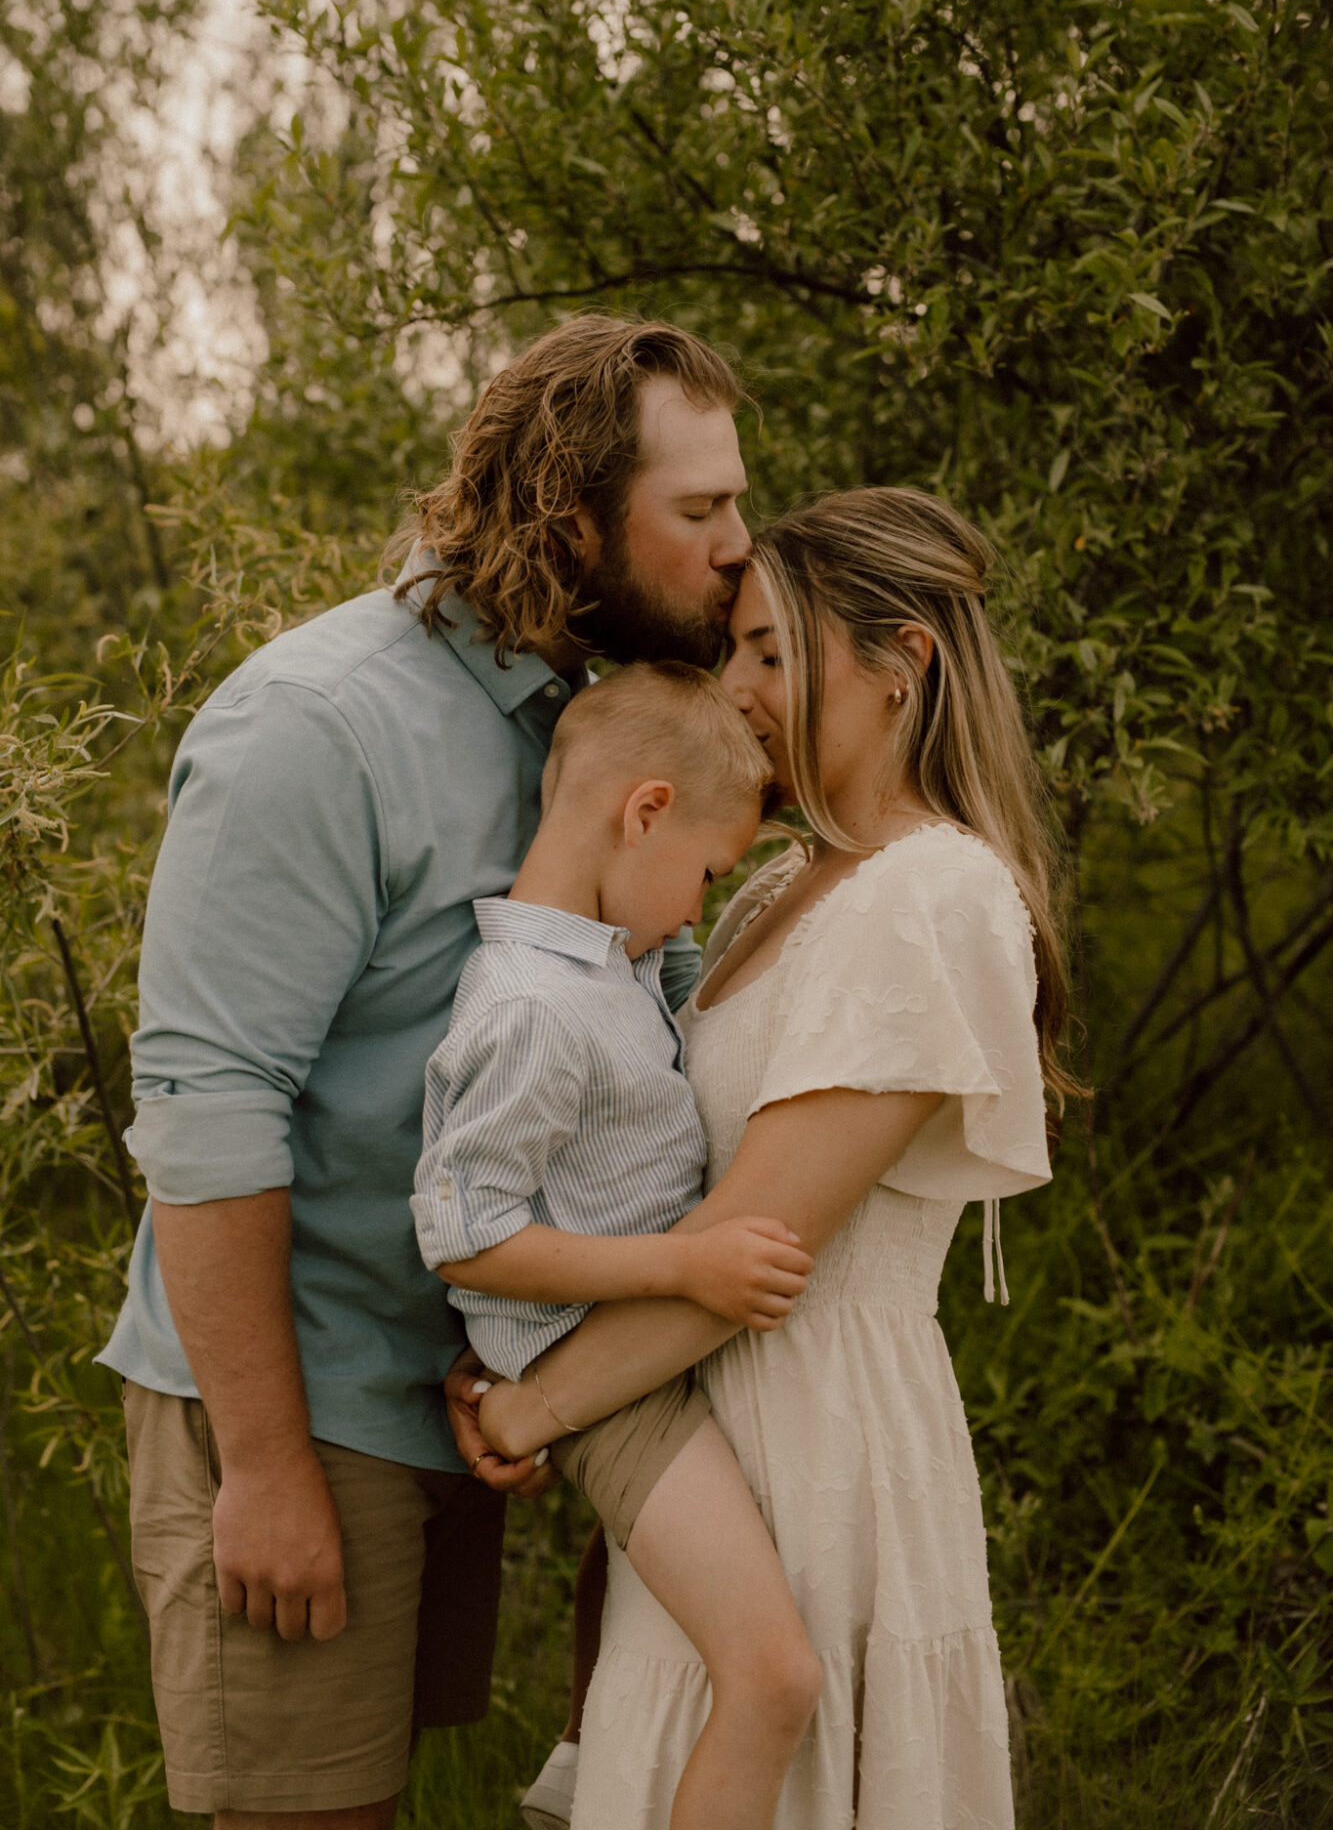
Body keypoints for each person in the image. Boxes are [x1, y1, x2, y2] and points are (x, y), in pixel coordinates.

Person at [95, 315, 753, 1828]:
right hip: (289, 1401)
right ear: (575, 516)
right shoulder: (316, 726)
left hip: (443, 1391)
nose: (737, 547)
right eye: (699, 511)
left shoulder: (583, 724)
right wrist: (259, 1468)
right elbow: (207, 1114)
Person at [460, 484, 1072, 1829]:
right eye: (733, 646)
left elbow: (756, 1233)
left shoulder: (936, 893)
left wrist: (532, 1407)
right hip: (700, 1438)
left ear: (903, 661)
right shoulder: (774, 887)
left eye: (772, 652)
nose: (733, 684)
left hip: (824, 1446)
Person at [412, 661, 821, 1830]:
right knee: (772, 1670)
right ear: (641, 812)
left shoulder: (618, 962)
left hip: (644, 1358)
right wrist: (681, 1267)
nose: (698, 903)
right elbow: (464, 1233)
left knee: (686, 1666)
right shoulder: (532, 1006)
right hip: (610, 1389)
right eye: (702, 872)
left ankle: (579, 1781)